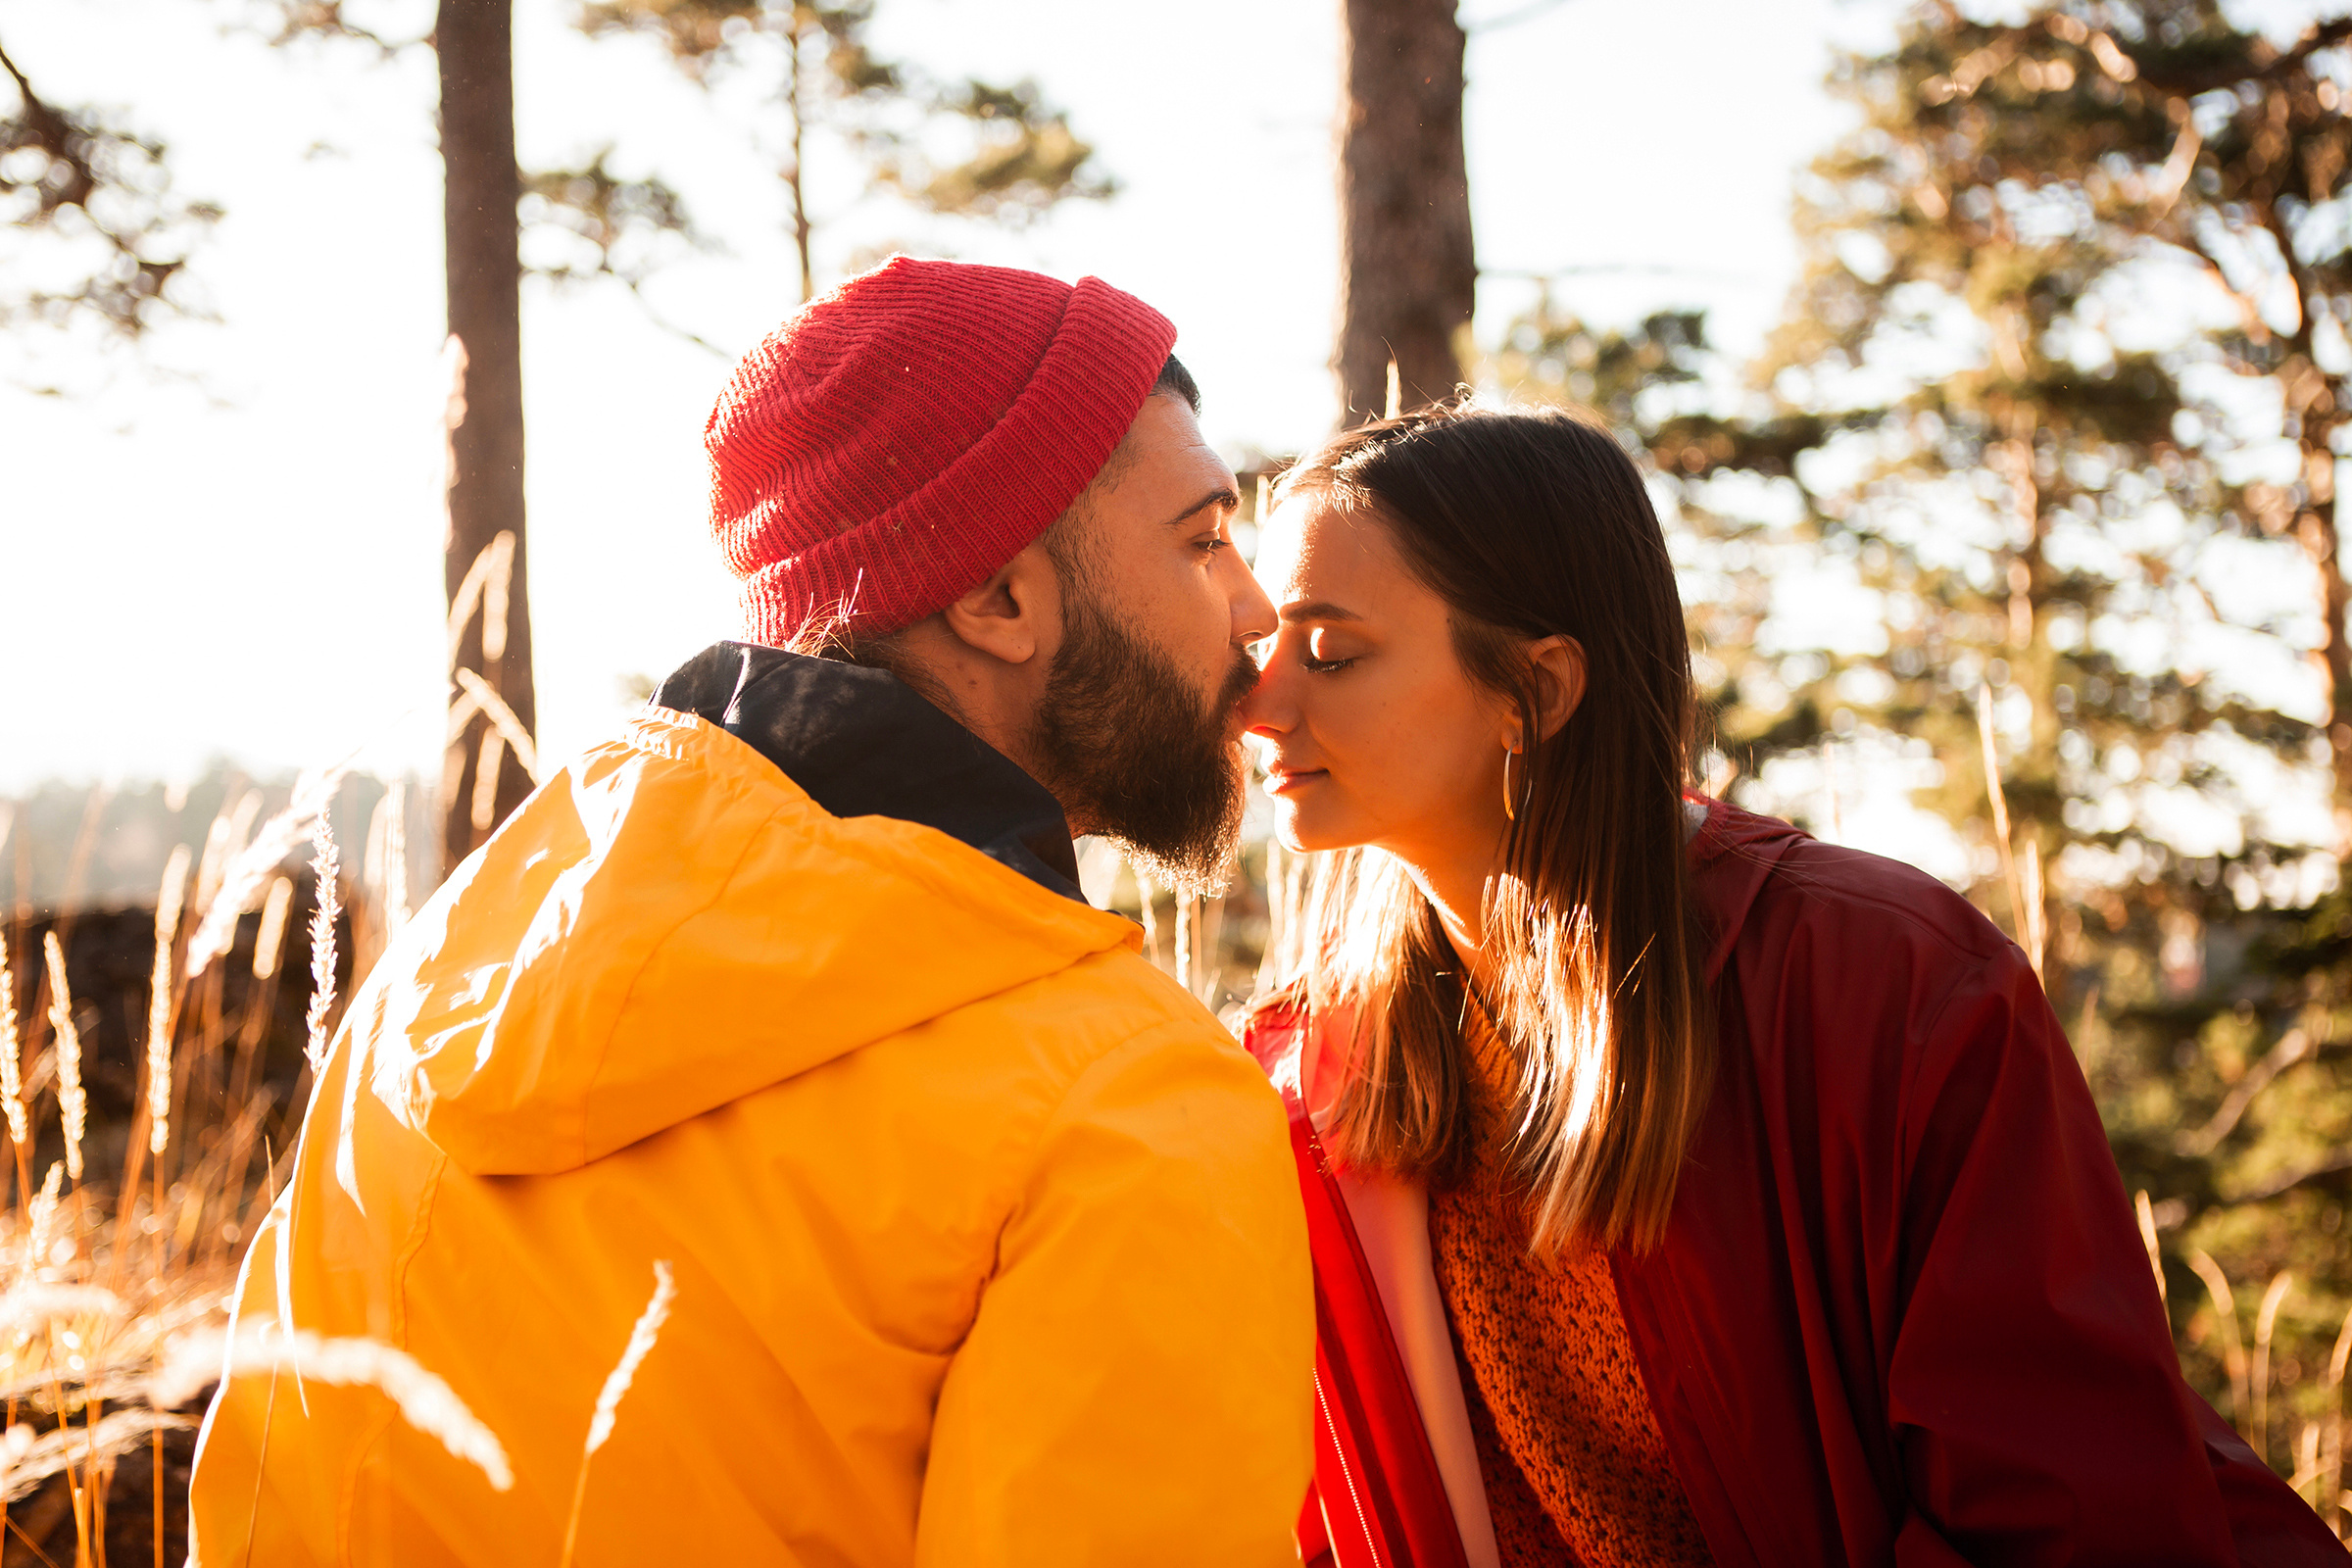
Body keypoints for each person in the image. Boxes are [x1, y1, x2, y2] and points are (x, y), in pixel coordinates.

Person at [189, 258, 1314, 1566]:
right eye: (1204, 538)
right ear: (998, 598)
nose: (1255, 609)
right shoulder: (1131, 1103)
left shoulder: (449, 972)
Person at [1238, 404, 2345, 1566]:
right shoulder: (1316, 1069)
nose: (1261, 705)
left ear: (1536, 690)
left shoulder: (1887, 986)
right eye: (1261, 648)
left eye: (1330, 654)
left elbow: (2067, 1509)